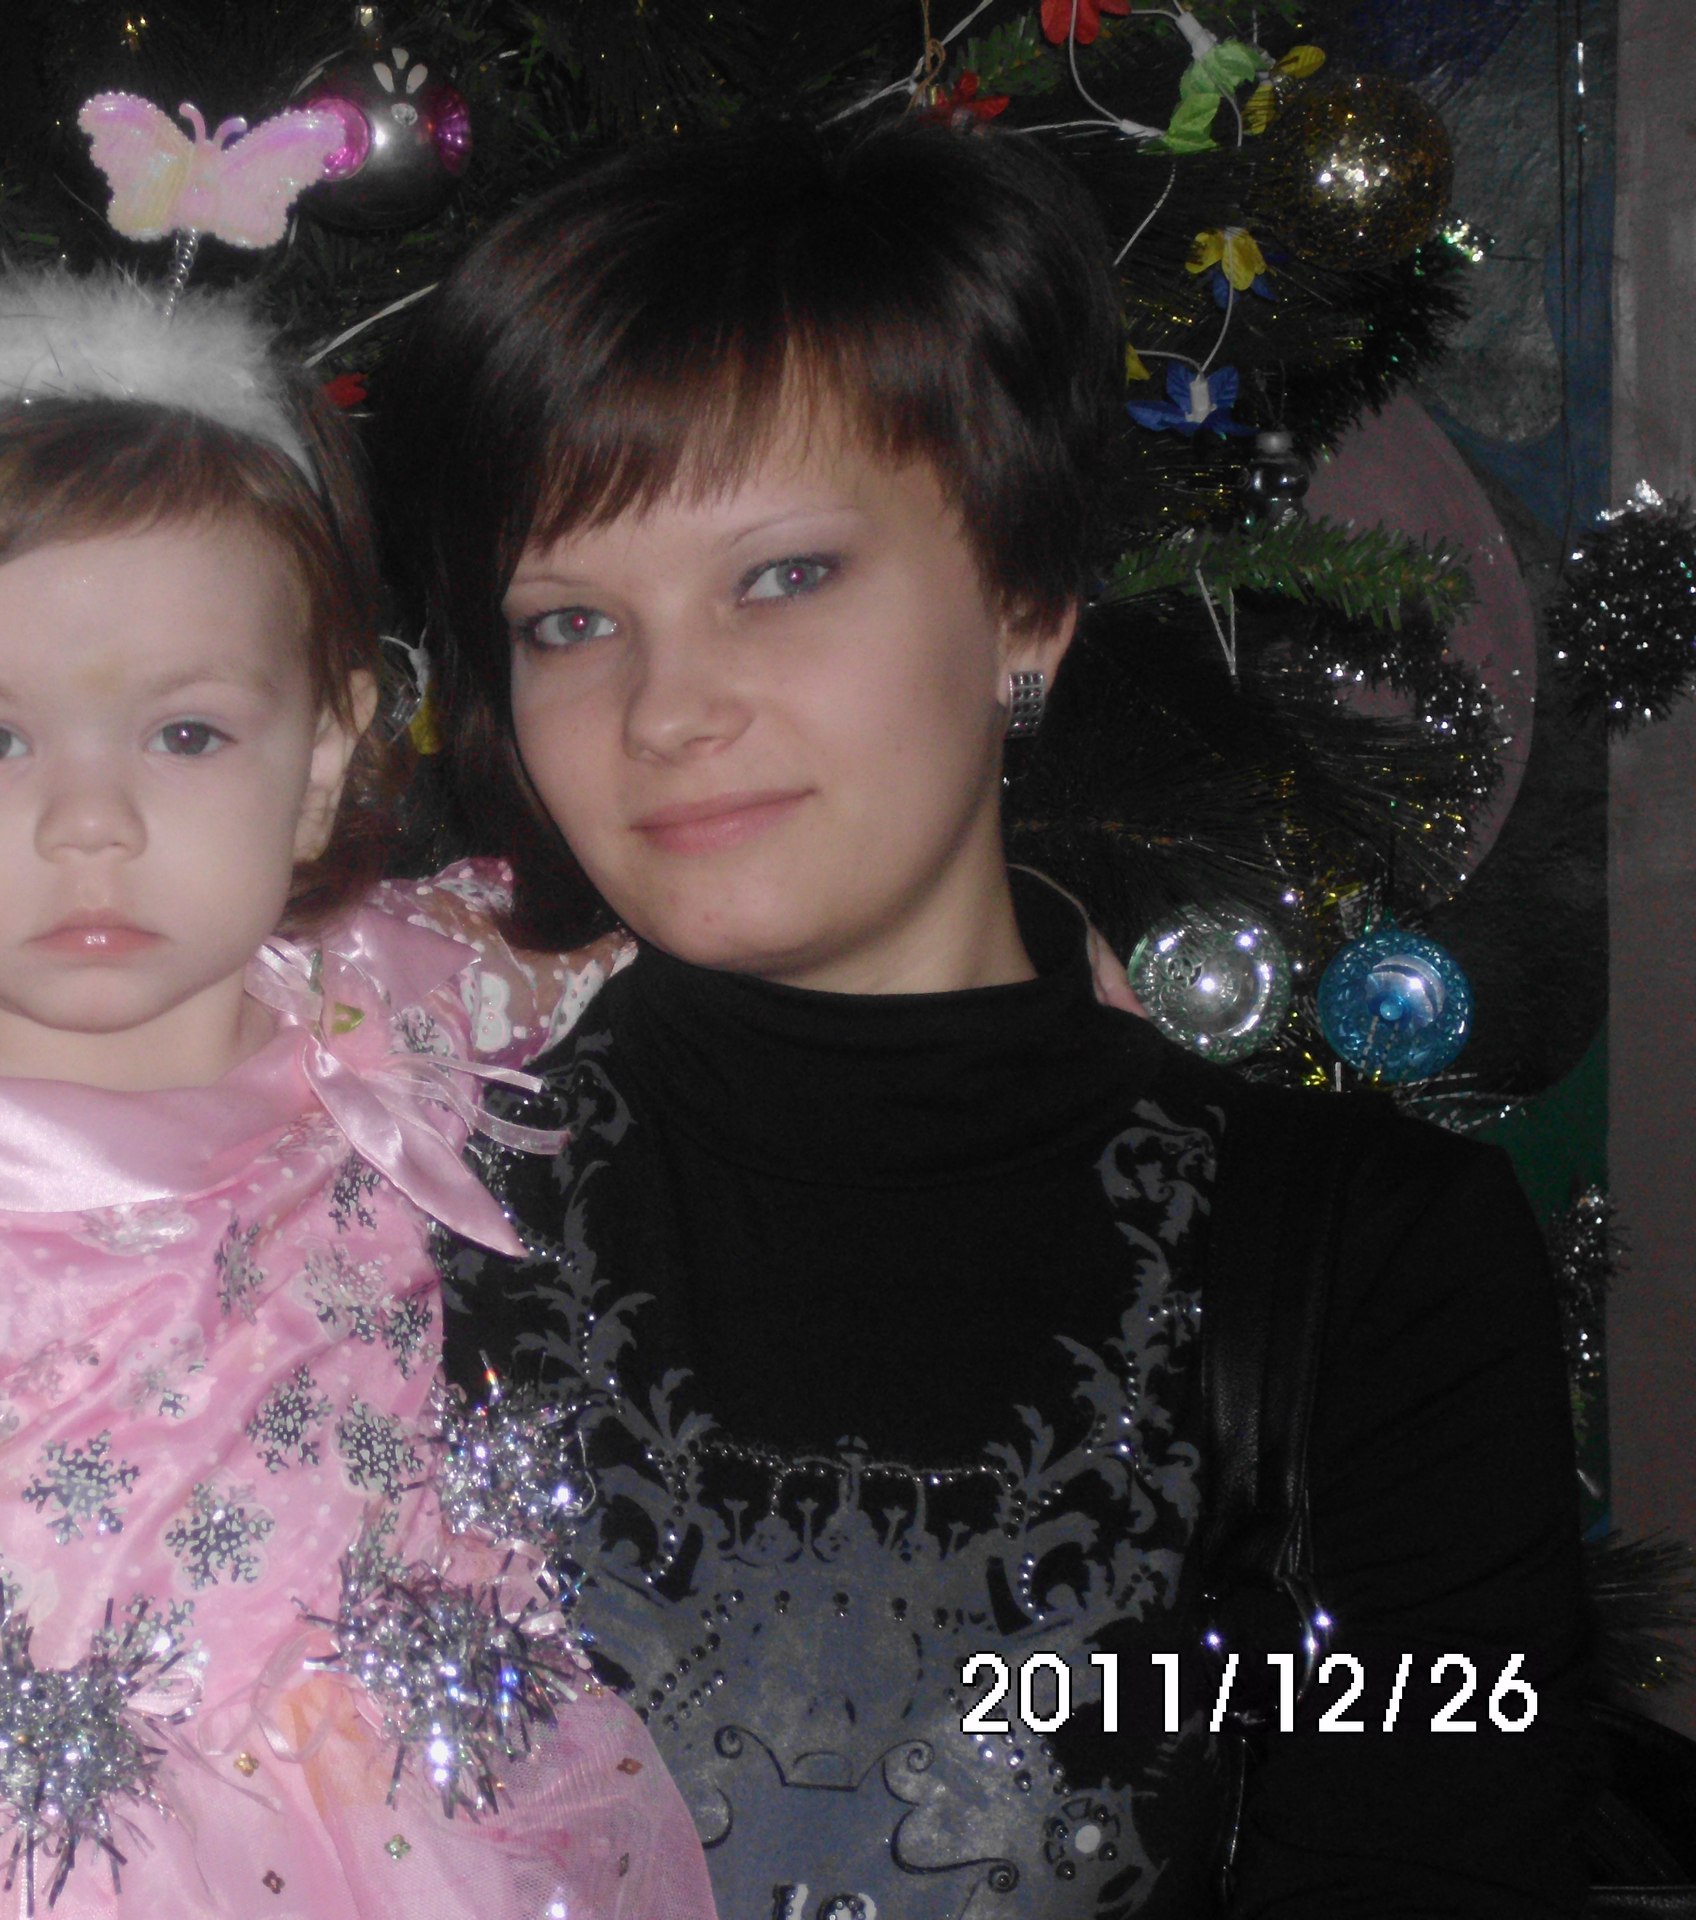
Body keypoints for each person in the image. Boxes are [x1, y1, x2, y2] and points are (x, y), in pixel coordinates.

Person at [378, 121, 1586, 1917]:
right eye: (569, 622)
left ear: (1026, 605)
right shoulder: (394, 1206)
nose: (667, 708)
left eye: (783, 576)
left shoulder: (1362, 1265)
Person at [0, 271, 713, 1920]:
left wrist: (1038, 922)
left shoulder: (376, 992)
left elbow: (626, 918)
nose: (90, 824)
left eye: (186, 735)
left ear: (319, 761)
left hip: (433, 1830)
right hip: (37, 1874)